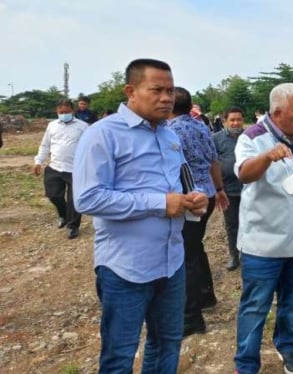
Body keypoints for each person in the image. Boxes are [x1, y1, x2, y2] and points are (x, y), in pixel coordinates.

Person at [73, 58, 209, 373]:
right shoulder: (103, 135)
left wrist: (193, 200)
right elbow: (88, 197)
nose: (166, 98)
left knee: (166, 344)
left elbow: (179, 185)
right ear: (131, 91)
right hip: (125, 268)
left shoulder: (169, 135)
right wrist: (160, 203)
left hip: (171, 262)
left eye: (171, 90)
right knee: (119, 356)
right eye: (157, 90)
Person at [233, 83, 293, 374]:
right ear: (279, 112)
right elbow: (244, 174)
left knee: (292, 302)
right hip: (264, 244)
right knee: (255, 306)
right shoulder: (253, 137)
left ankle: (287, 348)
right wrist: (267, 157)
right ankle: (246, 363)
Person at [167, 87, 230, 337]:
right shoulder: (201, 126)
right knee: (195, 247)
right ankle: (205, 296)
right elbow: (213, 161)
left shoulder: (168, 132)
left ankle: (191, 317)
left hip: (189, 199)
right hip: (209, 194)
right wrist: (219, 189)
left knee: (186, 255)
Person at [33, 98, 88, 239]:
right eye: (61, 112)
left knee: (74, 200)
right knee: (54, 196)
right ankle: (63, 215)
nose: (64, 114)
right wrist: (38, 160)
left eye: (66, 111)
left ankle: (72, 226)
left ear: (73, 111)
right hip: (55, 167)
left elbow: (90, 147)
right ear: (57, 112)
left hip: (76, 170)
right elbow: (45, 145)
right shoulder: (52, 125)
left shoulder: (83, 126)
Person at [212, 107, 245, 271]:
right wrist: (217, 189)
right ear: (225, 121)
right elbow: (212, 163)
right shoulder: (216, 139)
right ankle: (234, 254)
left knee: (249, 222)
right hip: (228, 190)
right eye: (232, 120)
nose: (236, 123)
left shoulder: (249, 137)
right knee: (232, 224)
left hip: (249, 188)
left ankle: (248, 254)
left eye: (238, 119)